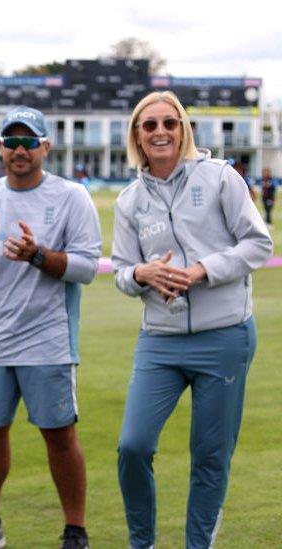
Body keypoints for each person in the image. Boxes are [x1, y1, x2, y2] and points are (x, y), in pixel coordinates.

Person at [112, 91, 272, 549]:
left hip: (225, 336)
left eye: (170, 123)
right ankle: (141, 542)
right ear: (137, 137)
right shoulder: (129, 200)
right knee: (133, 446)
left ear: (183, 130)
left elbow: (258, 244)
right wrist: (141, 273)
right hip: (159, 340)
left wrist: (203, 270)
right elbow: (122, 270)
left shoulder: (220, 177)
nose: (160, 132)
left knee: (209, 456)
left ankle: (197, 544)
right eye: (150, 125)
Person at [0, 106, 101, 549]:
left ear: (45, 147)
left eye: (29, 142)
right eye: (11, 142)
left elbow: (87, 268)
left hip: (49, 338)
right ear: (0, 148)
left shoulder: (72, 197)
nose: (19, 150)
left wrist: (37, 254)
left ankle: (75, 530)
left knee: (59, 434)